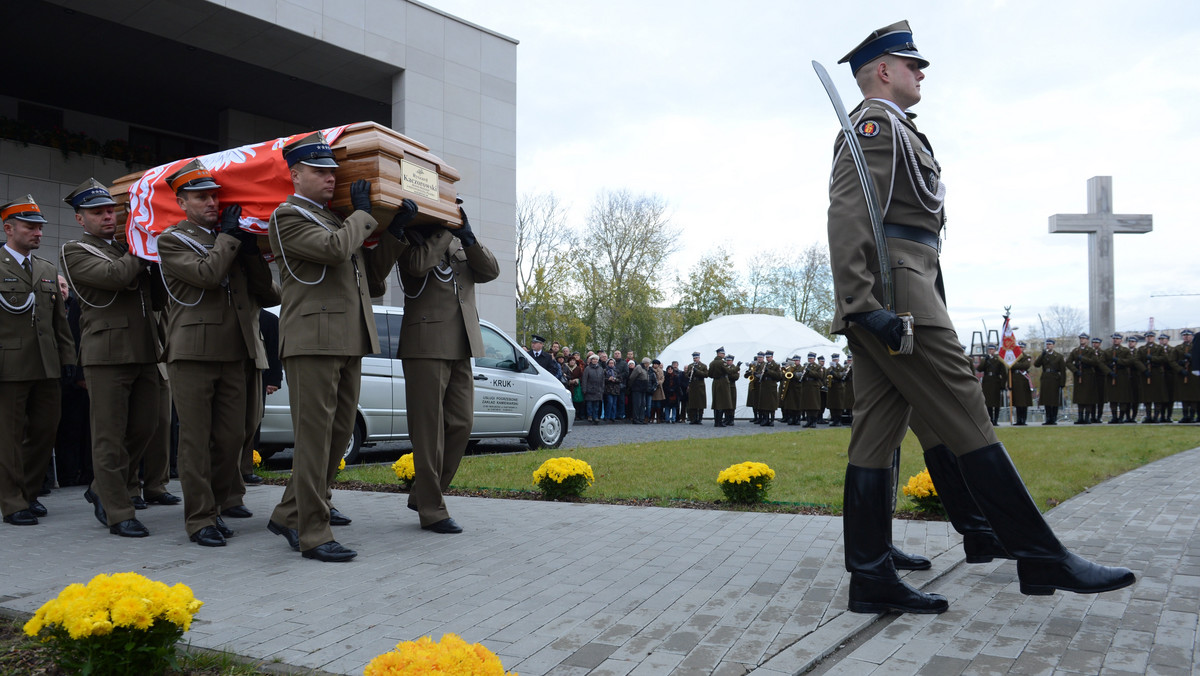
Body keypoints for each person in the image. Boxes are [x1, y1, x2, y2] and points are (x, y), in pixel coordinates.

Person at [825, 21, 1133, 614]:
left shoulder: (898, 129)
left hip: (905, 281)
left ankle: (870, 577)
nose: (921, 72)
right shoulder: (874, 126)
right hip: (898, 290)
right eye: (911, 64)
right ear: (883, 70)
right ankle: (1039, 553)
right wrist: (864, 305)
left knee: (876, 432)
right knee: (964, 407)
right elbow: (848, 217)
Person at [264, 134, 407, 559]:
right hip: (313, 340)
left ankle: (291, 512)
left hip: (348, 338)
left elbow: (373, 282)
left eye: (333, 171)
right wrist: (362, 215)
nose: (331, 178)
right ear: (296, 174)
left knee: (339, 434)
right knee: (315, 437)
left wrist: (393, 234)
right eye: (320, 171)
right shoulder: (287, 216)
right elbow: (333, 251)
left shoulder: (337, 220)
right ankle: (313, 532)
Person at [158, 160, 280, 548]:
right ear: (182, 202)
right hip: (193, 353)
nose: (212, 202)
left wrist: (249, 253)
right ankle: (199, 518)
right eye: (201, 197)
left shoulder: (230, 240)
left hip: (237, 352)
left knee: (234, 438)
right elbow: (208, 275)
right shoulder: (173, 239)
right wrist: (228, 240)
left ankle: (221, 501)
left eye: (214, 195)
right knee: (195, 439)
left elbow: (269, 295)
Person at [60, 179, 178, 538]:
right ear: (81, 219)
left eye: (111, 210)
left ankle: (102, 486)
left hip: (144, 350)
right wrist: (141, 249)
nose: (108, 217)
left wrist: (156, 262)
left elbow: (158, 299)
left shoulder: (130, 248)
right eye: (98, 212)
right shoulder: (75, 250)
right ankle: (118, 510)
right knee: (109, 436)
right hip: (107, 355)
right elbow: (114, 277)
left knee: (146, 426)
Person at [396, 201, 499, 534]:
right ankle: (432, 508)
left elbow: (489, 271)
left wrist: (467, 235)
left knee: (461, 424)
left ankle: (424, 492)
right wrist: (441, 230)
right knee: (428, 432)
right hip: (425, 343)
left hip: (462, 342)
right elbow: (417, 266)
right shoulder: (409, 236)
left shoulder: (457, 240)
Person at [0, 195, 76, 526]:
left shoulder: (46, 268)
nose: (38, 233)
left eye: (40, 228)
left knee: (45, 431)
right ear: (8, 228)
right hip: (10, 367)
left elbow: (60, 322)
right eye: (31, 227)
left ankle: (28, 492)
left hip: (47, 365)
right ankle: (12, 501)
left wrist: (68, 358)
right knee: (9, 438)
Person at [53, 273, 92, 488]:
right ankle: (67, 474)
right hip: (58, 378)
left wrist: (80, 375)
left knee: (83, 429)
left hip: (79, 379)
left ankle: (83, 473)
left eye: (64, 285)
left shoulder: (76, 305)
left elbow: (79, 343)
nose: (62, 290)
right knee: (66, 430)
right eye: (58, 285)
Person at [1067, 333, 1101, 424]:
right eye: (1081, 338)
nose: (1082, 340)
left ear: (1087, 340)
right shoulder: (1075, 351)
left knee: (1088, 397)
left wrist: (1083, 359)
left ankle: (1087, 417)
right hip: (1079, 375)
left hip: (1088, 375)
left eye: (1084, 338)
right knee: (1080, 398)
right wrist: (1075, 370)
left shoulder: (1091, 351)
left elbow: (1095, 362)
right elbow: (1068, 362)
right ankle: (1080, 417)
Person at [1102, 334, 1136, 424]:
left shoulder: (1125, 351)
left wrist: (1119, 361)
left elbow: (1130, 361)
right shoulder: (1107, 351)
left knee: (1122, 399)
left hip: (1122, 376)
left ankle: (1121, 417)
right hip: (1111, 376)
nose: (1115, 340)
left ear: (1121, 340)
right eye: (1114, 339)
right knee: (1113, 399)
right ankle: (1114, 417)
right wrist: (1109, 371)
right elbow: (1101, 363)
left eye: (1117, 339)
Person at [1034, 339, 1066, 425]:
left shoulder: (1058, 356)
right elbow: (1036, 364)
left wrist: (1062, 382)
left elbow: (1063, 370)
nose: (1048, 346)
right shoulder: (1044, 355)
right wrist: (1042, 355)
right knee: (1046, 400)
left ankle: (1054, 418)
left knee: (1054, 400)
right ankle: (1048, 418)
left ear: (1053, 345)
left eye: (1050, 344)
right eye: (1047, 344)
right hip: (1046, 378)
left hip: (1055, 378)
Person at [977, 344, 1007, 426]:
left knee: (996, 403)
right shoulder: (985, 359)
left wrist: (1003, 384)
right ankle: (990, 420)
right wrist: (984, 360)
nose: (991, 351)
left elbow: (1004, 373)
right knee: (988, 403)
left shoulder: (999, 359)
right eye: (989, 349)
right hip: (987, 382)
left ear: (995, 350)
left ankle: (996, 420)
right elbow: (979, 369)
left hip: (996, 381)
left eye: (992, 349)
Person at [1173, 330, 1197, 423]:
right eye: (1184, 335)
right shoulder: (1178, 348)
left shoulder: (1196, 347)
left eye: (1188, 335)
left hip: (1194, 375)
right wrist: (1180, 368)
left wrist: (1192, 358)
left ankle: (1192, 416)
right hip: (1182, 375)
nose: (1186, 337)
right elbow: (1172, 361)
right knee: (1184, 396)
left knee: (1194, 396)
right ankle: (1185, 415)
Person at [757, 350, 782, 426]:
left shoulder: (776, 365)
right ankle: (766, 419)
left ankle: (772, 420)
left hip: (771, 385)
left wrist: (769, 371)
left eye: (768, 357)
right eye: (766, 357)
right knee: (764, 404)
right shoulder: (765, 365)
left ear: (772, 357)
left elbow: (779, 376)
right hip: (764, 385)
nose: (767, 359)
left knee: (771, 404)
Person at [799, 352, 824, 429]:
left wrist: (809, 371)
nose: (809, 360)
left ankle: (814, 421)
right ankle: (808, 420)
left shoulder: (817, 367)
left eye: (811, 358)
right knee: (807, 404)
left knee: (814, 405)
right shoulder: (806, 366)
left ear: (814, 359)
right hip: (806, 386)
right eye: (809, 358)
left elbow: (820, 375)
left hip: (813, 387)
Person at [709, 348, 731, 427]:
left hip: (715, 382)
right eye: (723, 354)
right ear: (719, 354)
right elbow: (728, 371)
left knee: (716, 402)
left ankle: (716, 421)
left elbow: (710, 374)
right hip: (722, 382)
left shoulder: (712, 363)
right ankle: (720, 422)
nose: (724, 355)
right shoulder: (722, 362)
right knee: (722, 402)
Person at [684, 351, 709, 424]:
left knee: (700, 403)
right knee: (693, 403)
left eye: (696, 358)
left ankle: (699, 418)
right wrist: (689, 372)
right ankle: (693, 419)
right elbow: (687, 376)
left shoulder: (703, 366)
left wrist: (697, 371)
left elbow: (706, 375)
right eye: (694, 358)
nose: (695, 359)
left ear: (699, 358)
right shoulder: (690, 365)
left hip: (700, 385)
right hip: (693, 385)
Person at [827, 353, 849, 426]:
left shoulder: (842, 368)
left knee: (839, 405)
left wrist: (833, 372)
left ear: (838, 360)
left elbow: (840, 376)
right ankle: (834, 419)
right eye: (833, 359)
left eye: (836, 359)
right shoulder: (830, 368)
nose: (834, 361)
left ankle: (838, 420)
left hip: (839, 388)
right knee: (832, 404)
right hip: (832, 388)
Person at [582, 354, 604, 423]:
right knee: (589, 404)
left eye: (596, 359)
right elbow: (584, 379)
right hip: (589, 389)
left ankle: (595, 417)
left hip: (598, 390)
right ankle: (589, 416)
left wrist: (602, 388)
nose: (595, 360)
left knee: (596, 405)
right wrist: (584, 389)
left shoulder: (600, 369)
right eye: (593, 359)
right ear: (591, 360)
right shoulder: (587, 369)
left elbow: (603, 380)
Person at [629, 358, 650, 424]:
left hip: (643, 389)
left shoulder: (646, 368)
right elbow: (632, 377)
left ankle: (641, 418)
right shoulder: (638, 367)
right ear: (646, 363)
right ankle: (636, 418)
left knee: (643, 404)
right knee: (637, 404)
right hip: (637, 388)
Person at [723, 354, 740, 425]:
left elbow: (736, 377)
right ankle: (726, 418)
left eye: (729, 360)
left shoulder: (735, 367)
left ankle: (731, 419)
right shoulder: (724, 367)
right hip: (725, 387)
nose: (728, 362)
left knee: (732, 403)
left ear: (732, 361)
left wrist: (729, 374)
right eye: (727, 360)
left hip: (732, 387)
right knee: (726, 403)